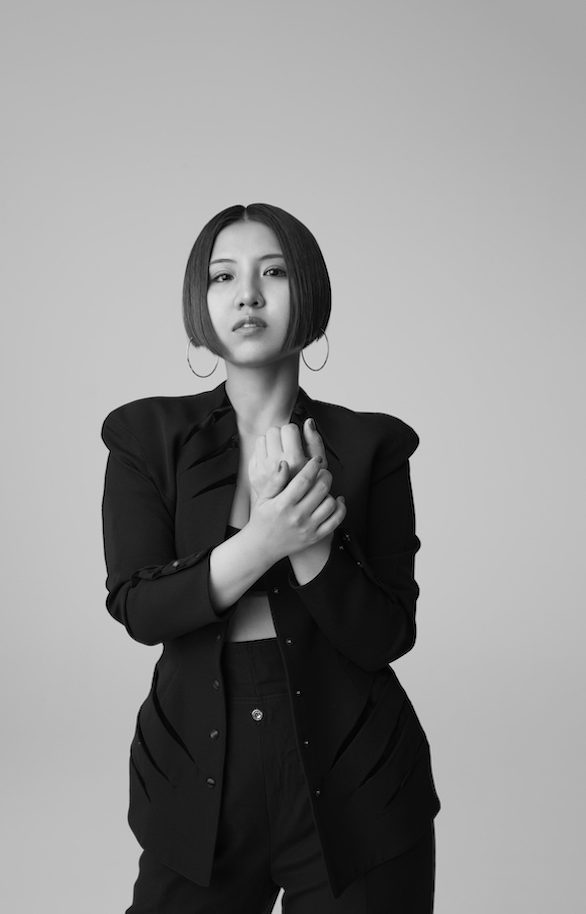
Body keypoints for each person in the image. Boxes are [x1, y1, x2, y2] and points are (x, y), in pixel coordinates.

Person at [101, 203, 440, 913]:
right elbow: (140, 607)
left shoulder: (373, 447)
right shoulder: (145, 436)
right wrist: (265, 539)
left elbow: (387, 634)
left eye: (275, 272)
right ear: (201, 302)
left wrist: (313, 544)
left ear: (308, 291)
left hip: (359, 779)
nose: (248, 295)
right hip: (197, 775)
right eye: (223, 276)